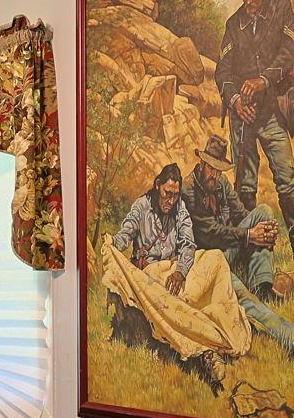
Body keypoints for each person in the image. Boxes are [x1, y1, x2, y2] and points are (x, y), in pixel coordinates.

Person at [101, 163, 252, 385]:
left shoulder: (179, 208)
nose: (170, 200)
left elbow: (188, 244)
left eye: (174, 195)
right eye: (167, 194)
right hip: (151, 273)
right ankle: (205, 350)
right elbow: (126, 233)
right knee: (176, 300)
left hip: (175, 268)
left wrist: (181, 270)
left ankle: (216, 327)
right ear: (157, 186)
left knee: (215, 258)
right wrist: (113, 243)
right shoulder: (141, 207)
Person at [185, 136, 294, 361]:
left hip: (226, 252)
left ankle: (262, 285)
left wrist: (264, 232)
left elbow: (241, 214)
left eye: (219, 169)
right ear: (201, 164)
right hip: (207, 264)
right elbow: (209, 233)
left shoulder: (220, 184)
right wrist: (250, 236)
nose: (215, 175)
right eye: (211, 168)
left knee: (263, 212)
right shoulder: (188, 189)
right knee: (243, 297)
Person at [218, 0, 294, 264]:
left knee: (288, 178)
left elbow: (287, 53)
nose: (248, 2)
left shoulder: (282, 8)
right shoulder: (233, 24)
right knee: (244, 185)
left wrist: (264, 80)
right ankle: (248, 251)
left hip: (271, 110)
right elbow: (223, 71)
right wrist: (234, 101)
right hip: (242, 115)